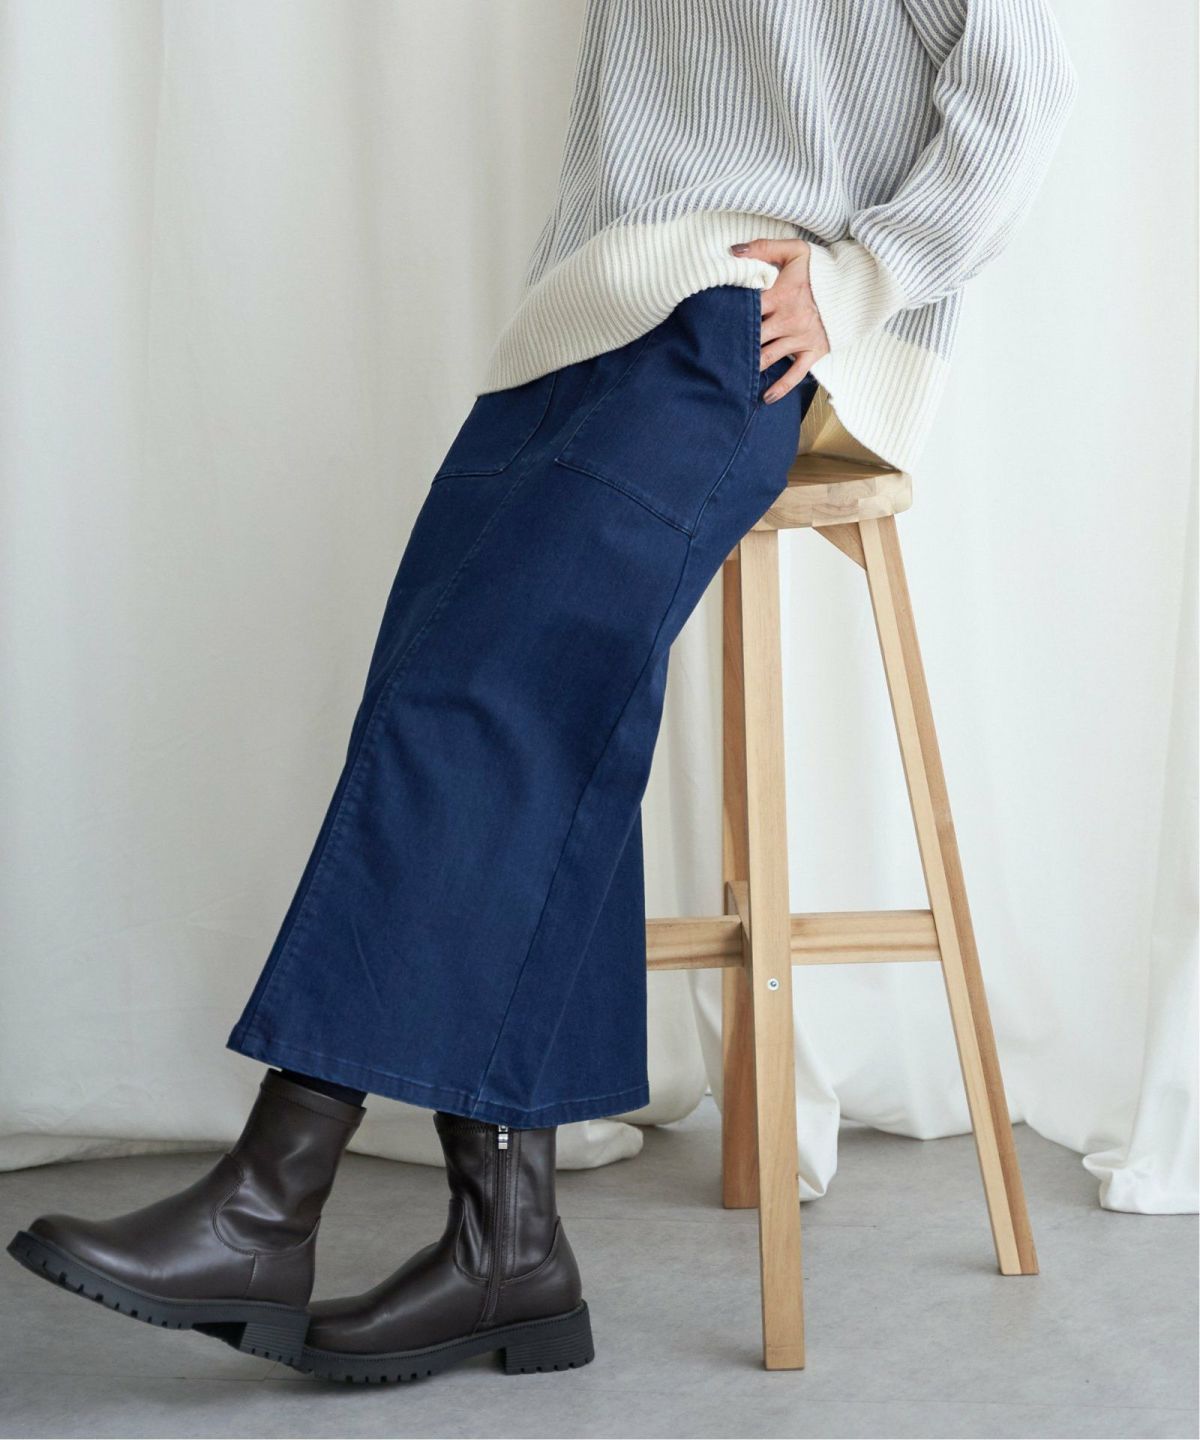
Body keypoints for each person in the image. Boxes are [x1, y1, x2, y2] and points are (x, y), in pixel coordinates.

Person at [7, 0, 1076, 1385]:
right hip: (589, 312)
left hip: (748, 325)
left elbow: (1024, 83)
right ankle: (505, 1250)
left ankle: (270, 1197)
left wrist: (871, 274)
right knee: (459, 688)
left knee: (484, 700)